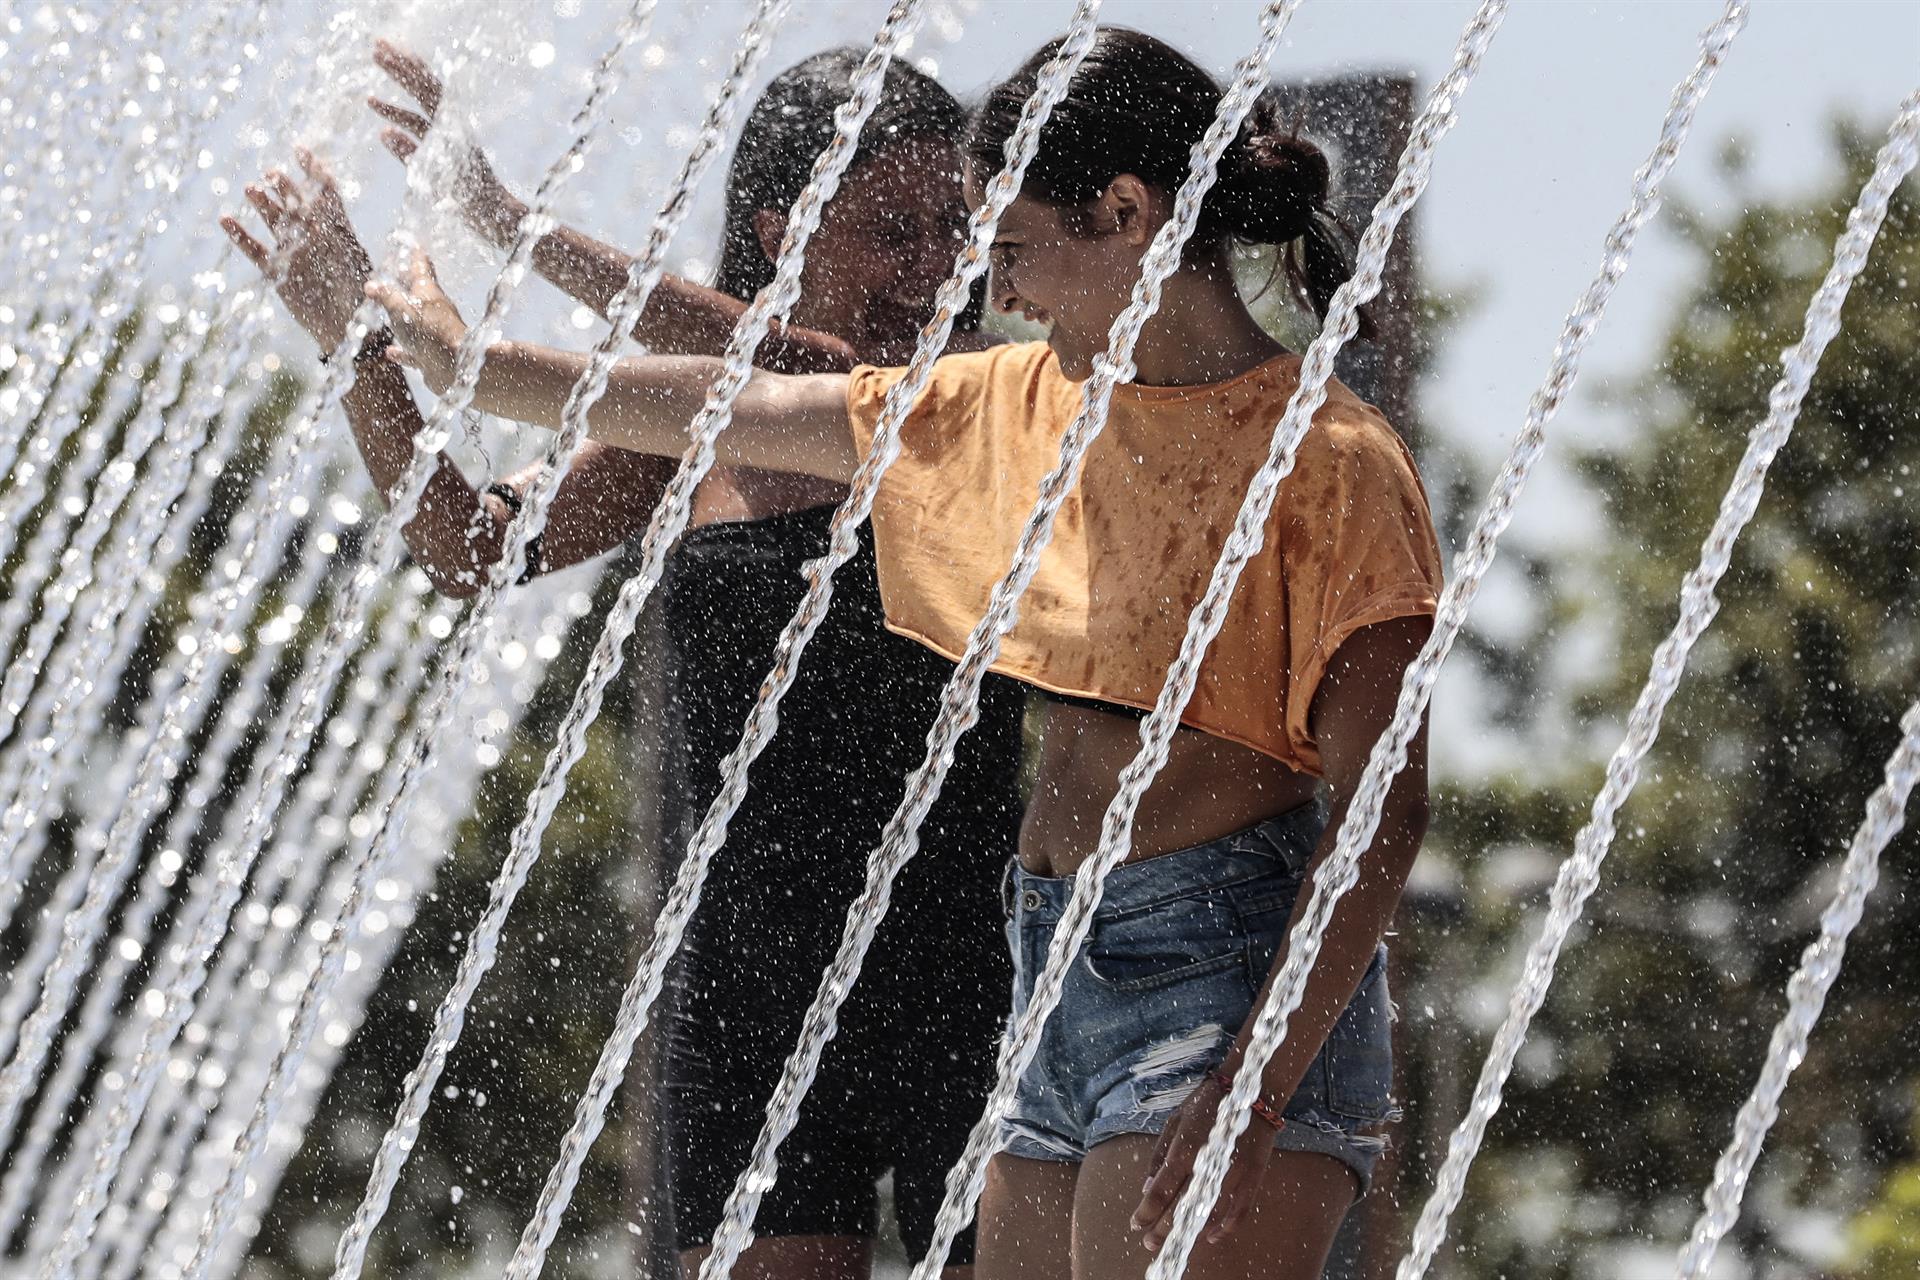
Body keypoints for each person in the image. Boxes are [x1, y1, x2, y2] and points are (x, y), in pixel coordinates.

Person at [335, 26, 1441, 1280]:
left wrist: (1258, 1079)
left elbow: (1384, 809)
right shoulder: (1027, 407)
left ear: (1128, 214)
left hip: (1215, 963)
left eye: (1008, 247)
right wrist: (463, 364)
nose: (998, 290)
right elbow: (736, 402)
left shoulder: (1329, 459)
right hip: (1045, 966)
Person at [224, 44, 1027, 1280]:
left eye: (954, 228)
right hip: (747, 985)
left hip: (968, 972)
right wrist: (355, 342)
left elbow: (802, 371)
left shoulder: (986, 398)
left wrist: (504, 222)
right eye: (895, 230)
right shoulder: (686, 432)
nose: (938, 264)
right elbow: (471, 545)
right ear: (783, 229)